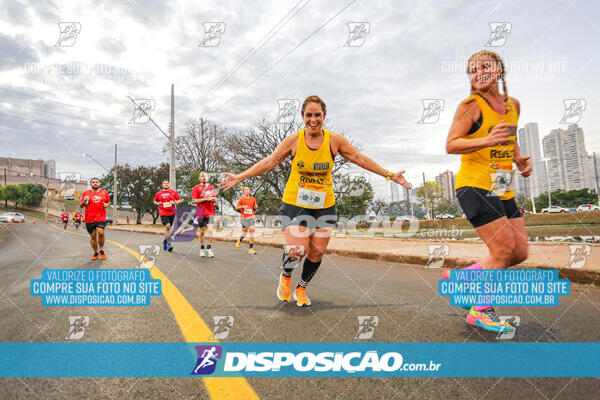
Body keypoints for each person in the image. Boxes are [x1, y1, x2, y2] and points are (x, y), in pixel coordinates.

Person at [221, 95, 411, 307]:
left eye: (317, 115)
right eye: (309, 115)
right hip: (296, 202)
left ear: (324, 116)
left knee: (318, 251)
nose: (313, 119)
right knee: (298, 250)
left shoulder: (334, 141)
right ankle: (286, 276)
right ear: (302, 116)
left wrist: (389, 175)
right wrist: (240, 177)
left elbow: (360, 158)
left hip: (324, 204)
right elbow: (269, 162)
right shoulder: (294, 141)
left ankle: (301, 288)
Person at [444, 50, 532, 333]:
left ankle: (462, 281)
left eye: (485, 66)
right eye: (472, 69)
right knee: (502, 249)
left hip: (502, 188)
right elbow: (452, 144)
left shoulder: (513, 104)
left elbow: (509, 134)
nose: (478, 72)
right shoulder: (470, 106)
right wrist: (485, 139)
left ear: (499, 71)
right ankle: (480, 310)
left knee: (519, 253)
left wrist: (518, 159)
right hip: (474, 185)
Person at [80, 177, 111, 260]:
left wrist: (107, 204)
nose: (95, 183)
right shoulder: (86, 193)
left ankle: (101, 249)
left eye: (97, 182)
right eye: (93, 182)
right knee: (93, 237)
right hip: (89, 218)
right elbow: (81, 205)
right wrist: (84, 201)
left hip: (101, 217)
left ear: (99, 184)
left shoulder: (105, 193)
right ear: (90, 184)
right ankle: (95, 252)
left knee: (100, 232)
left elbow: (108, 201)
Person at [192, 172, 217, 258]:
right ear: (199, 178)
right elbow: (194, 201)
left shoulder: (211, 187)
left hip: (210, 212)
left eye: (205, 176)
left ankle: (209, 249)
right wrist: (205, 199)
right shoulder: (196, 188)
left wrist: (214, 199)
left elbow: (215, 198)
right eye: (202, 176)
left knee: (210, 230)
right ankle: (202, 248)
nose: (204, 178)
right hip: (200, 212)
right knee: (202, 232)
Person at [153, 179, 182, 252]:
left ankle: (165, 240)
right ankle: (169, 243)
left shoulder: (173, 192)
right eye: (164, 183)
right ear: (162, 185)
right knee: (168, 226)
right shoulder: (159, 193)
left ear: (169, 184)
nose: (166, 184)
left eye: (167, 183)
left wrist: (174, 202)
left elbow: (179, 200)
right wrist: (158, 203)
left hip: (172, 212)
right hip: (163, 211)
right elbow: (154, 201)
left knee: (169, 228)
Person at [235, 186, 258, 254]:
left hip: (251, 217)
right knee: (244, 233)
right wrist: (242, 206)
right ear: (244, 192)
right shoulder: (241, 199)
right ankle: (239, 240)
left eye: (248, 190)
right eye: (246, 190)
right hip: (244, 218)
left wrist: (256, 206)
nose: (247, 191)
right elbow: (236, 208)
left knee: (251, 232)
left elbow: (255, 206)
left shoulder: (253, 199)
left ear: (249, 191)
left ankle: (251, 249)